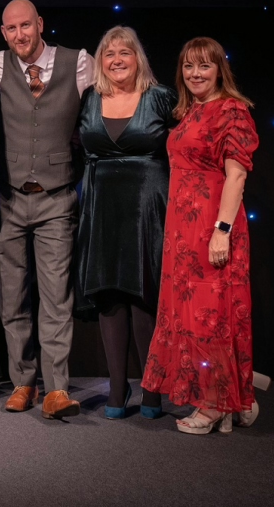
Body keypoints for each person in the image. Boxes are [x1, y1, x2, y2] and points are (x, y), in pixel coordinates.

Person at [142, 37, 260, 435]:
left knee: (212, 317)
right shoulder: (189, 110)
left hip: (212, 226)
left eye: (204, 66)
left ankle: (214, 404)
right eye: (189, 66)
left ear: (219, 71)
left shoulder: (232, 110)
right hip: (182, 232)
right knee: (193, 315)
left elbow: (236, 176)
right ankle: (232, 397)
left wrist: (221, 231)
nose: (195, 74)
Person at [0, 0, 94, 419]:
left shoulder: (78, 63)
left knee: (56, 297)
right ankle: (23, 382)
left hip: (56, 197)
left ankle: (57, 389)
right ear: (3, 32)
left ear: (40, 24)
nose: (19, 35)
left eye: (26, 26)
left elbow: (120, 86)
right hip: (10, 198)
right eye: (11, 28)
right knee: (12, 297)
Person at [74, 26, 175, 419]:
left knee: (143, 294)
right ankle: (117, 387)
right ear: (100, 61)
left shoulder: (161, 97)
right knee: (109, 294)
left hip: (148, 210)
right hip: (102, 208)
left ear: (138, 58)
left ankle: (152, 388)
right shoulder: (89, 98)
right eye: (109, 53)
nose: (117, 60)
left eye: (125, 52)